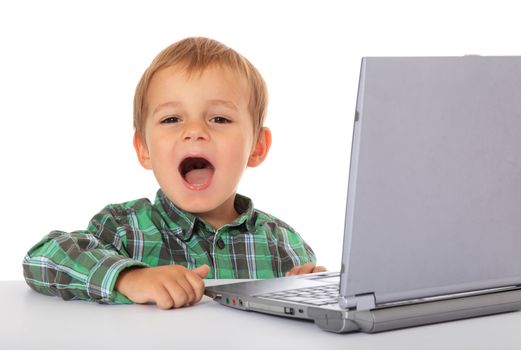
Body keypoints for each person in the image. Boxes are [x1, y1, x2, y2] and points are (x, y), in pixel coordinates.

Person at [22, 37, 325, 310]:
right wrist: (130, 277)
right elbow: (42, 259)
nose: (194, 131)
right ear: (144, 149)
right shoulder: (123, 229)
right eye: (171, 119)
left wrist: (314, 288)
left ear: (257, 147)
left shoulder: (284, 245)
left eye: (219, 118)